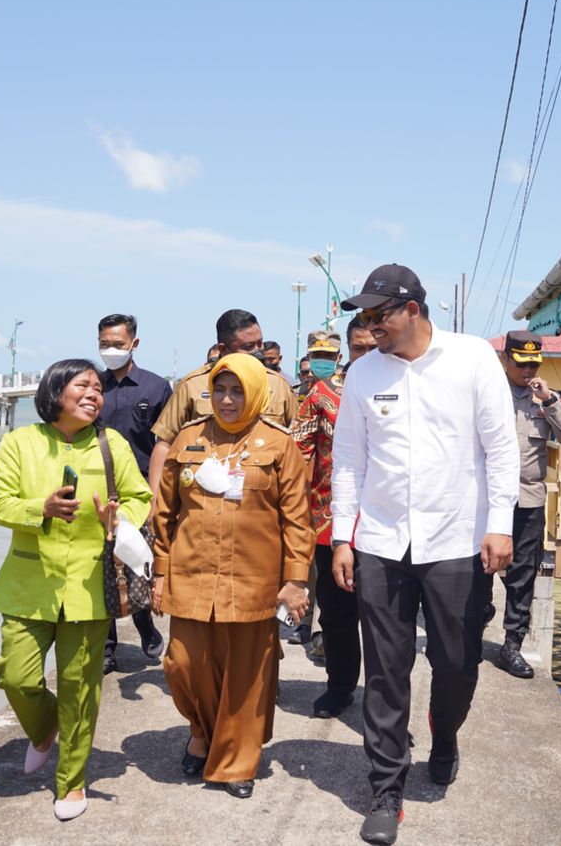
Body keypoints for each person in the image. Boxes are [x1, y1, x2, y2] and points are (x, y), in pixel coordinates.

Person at [330, 265, 519, 845]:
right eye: (363, 318)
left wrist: (500, 524)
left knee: (457, 661)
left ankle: (445, 734)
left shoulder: (472, 359)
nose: (369, 327)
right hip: (383, 542)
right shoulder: (364, 374)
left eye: (377, 315)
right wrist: (343, 535)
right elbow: (349, 462)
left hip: (457, 538)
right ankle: (387, 787)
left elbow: (500, 448)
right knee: (385, 669)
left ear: (411, 308)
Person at [0, 359, 152, 821]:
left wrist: (118, 520)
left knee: (81, 688)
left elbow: (141, 497)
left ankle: (72, 782)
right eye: (83, 385)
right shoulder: (20, 442)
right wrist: (41, 508)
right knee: (16, 676)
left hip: (89, 584)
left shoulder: (110, 443)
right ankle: (44, 730)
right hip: (28, 582)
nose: (93, 394)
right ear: (55, 391)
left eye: (98, 388)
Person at [150, 353, 314, 798]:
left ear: (257, 392)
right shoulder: (188, 439)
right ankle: (201, 732)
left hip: (254, 581)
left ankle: (236, 763)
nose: (226, 400)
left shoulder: (280, 446)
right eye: (220, 390)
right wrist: (160, 572)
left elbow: (298, 520)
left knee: (246, 677)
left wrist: (295, 581)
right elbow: (163, 513)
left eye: (237, 390)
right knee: (183, 664)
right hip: (191, 574)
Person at [493, 331, 561, 679]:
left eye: (533, 364)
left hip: (528, 499)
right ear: (505, 360)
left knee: (524, 572)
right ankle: (475, 620)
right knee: (476, 568)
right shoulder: (490, 393)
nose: (528, 370)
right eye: (521, 363)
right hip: (487, 499)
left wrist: (550, 400)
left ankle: (512, 646)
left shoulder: (543, 398)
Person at [94, 313, 173, 673]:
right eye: (104, 344)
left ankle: (145, 626)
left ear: (134, 344)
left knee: (139, 562)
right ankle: (107, 647)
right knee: (101, 569)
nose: (111, 350)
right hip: (98, 490)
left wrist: (160, 494)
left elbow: (165, 443)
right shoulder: (92, 385)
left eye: (118, 344)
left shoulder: (156, 389)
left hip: (139, 490)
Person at [148, 309, 298, 488]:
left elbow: (298, 445)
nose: (259, 352)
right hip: (200, 494)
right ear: (223, 349)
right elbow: (165, 443)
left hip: (261, 498)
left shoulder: (278, 385)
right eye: (249, 347)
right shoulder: (192, 386)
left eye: (260, 344)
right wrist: (156, 500)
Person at [293, 328, 361, 716]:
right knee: (336, 615)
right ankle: (340, 685)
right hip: (329, 523)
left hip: (390, 527)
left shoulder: (407, 387)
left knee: (390, 624)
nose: (367, 353)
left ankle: (389, 704)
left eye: (372, 346)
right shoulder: (321, 395)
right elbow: (298, 452)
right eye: (359, 347)